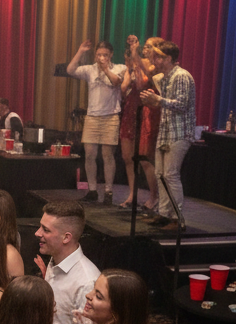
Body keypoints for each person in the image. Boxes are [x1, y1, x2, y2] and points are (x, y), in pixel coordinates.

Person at [140, 40, 197, 230]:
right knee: (160, 174)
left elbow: (181, 104)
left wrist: (158, 99)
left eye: (158, 57)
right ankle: (164, 214)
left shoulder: (181, 76)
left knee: (171, 175)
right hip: (166, 132)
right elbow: (151, 74)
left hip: (179, 133)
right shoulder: (164, 77)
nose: (154, 60)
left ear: (169, 58)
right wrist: (154, 99)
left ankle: (177, 219)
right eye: (154, 56)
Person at [34, 200, 100, 324]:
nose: (37, 233)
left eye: (46, 230)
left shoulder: (87, 282)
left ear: (66, 237)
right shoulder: (54, 261)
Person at [66, 39, 126, 204]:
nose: (101, 58)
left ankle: (108, 191)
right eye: (99, 55)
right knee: (90, 155)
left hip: (111, 116)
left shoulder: (120, 68)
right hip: (92, 116)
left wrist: (105, 68)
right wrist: (80, 51)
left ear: (111, 55)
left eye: (105, 55)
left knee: (107, 155)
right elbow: (70, 70)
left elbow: (116, 82)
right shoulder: (90, 69)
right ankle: (92, 190)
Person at [117, 35, 162, 211]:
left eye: (149, 47)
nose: (146, 49)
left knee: (145, 158)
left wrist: (135, 57)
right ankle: (132, 194)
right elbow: (123, 88)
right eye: (146, 46)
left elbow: (145, 79)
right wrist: (130, 68)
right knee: (127, 157)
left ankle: (154, 196)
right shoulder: (138, 63)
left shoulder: (155, 66)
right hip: (131, 109)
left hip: (148, 111)